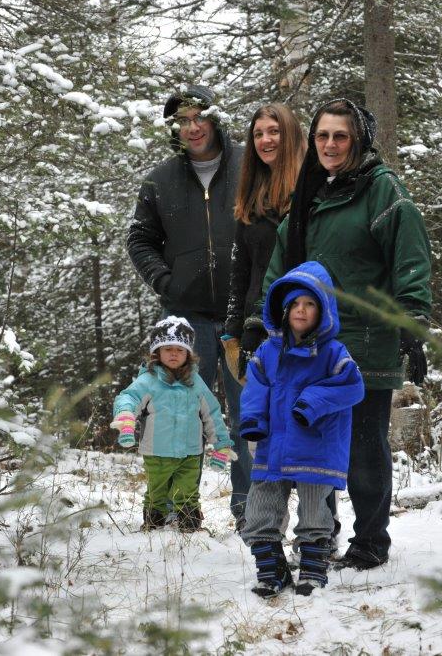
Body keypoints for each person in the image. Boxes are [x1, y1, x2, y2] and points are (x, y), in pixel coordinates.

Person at [262, 98, 432, 570]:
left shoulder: (382, 191)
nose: (330, 145)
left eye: (341, 136)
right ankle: (320, 536)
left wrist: (412, 320)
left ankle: (371, 542)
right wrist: (269, 321)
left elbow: (410, 255)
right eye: (322, 136)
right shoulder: (310, 194)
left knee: (362, 448)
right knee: (317, 447)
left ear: (358, 140)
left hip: (365, 341)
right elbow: (282, 267)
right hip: (312, 346)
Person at [126, 84, 252, 529]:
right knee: (178, 414)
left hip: (242, 316)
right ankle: (179, 509)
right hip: (185, 318)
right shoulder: (160, 180)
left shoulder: (249, 167)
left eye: (199, 117)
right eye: (182, 121)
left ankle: (249, 512)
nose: (192, 127)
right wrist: (166, 281)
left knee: (244, 413)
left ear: (215, 119)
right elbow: (139, 239)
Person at [239, 261, 365, 597]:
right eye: (295, 303)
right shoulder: (268, 351)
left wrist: (311, 402)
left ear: (323, 311)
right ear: (283, 309)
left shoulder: (333, 352)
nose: (301, 310)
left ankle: (313, 568)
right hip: (274, 443)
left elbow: (352, 387)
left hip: (316, 444)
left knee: (313, 508)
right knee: (261, 506)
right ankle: (271, 569)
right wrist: (253, 421)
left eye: (309, 304)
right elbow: (255, 389)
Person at [111, 316, 236, 533]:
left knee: (187, 491)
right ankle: (154, 522)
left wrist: (221, 443)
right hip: (157, 451)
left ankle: (189, 524)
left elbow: (212, 413)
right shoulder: (148, 380)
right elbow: (128, 398)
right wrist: (126, 416)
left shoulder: (196, 383)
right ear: (156, 352)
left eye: (180, 349)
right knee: (157, 490)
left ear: (188, 353)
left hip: (190, 452)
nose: (174, 353)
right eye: (167, 348)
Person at [222, 103, 306, 380]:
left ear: (291, 136)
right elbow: (241, 269)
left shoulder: (311, 193)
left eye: (274, 131)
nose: (265, 140)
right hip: (255, 330)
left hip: (301, 326)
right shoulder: (251, 197)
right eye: (258, 134)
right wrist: (232, 333)